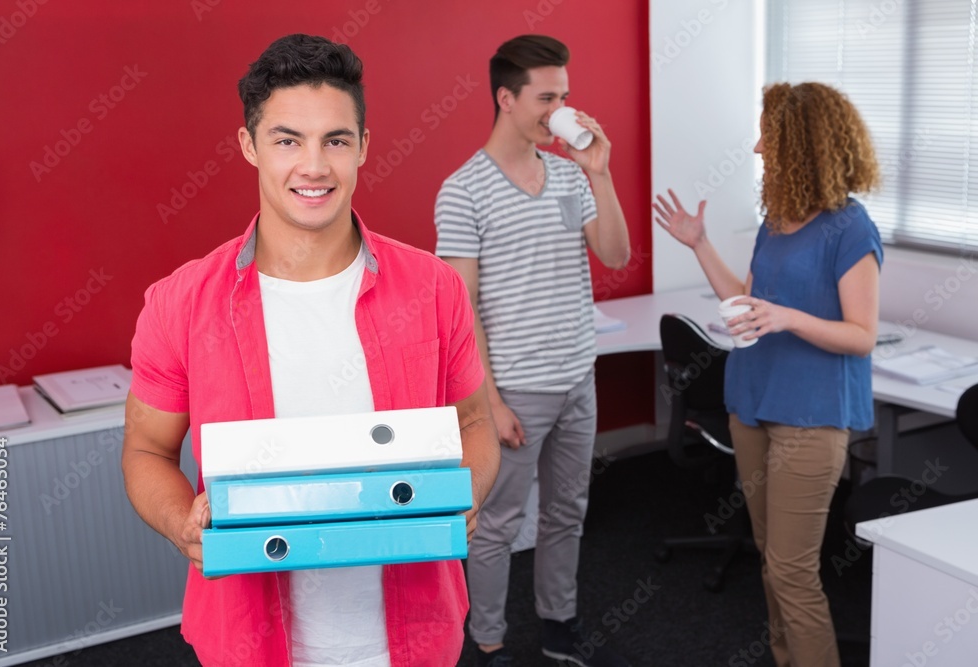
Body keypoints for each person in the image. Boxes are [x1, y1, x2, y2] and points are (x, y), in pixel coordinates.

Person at [121, 34, 500, 667]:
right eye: (288, 140)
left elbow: (474, 422)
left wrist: (471, 491)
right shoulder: (179, 303)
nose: (314, 166)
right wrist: (179, 519)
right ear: (250, 147)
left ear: (363, 148)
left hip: (415, 635)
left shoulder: (435, 289)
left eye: (336, 140)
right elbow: (146, 451)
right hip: (249, 639)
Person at [654, 81, 882, 667]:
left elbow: (862, 334)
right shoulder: (775, 222)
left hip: (813, 414)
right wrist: (700, 245)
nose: (757, 148)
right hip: (753, 404)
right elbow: (750, 302)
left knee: (791, 570)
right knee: (768, 556)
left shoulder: (850, 229)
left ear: (800, 145)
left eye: (767, 136)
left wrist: (788, 317)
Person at [435, 34, 632, 667]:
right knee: (495, 525)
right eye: (546, 98)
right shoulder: (462, 191)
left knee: (566, 514)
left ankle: (558, 623)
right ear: (505, 98)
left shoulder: (572, 175)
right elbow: (461, 311)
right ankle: (488, 638)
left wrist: (601, 174)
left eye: (565, 97)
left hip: (578, 376)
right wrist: (488, 401)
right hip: (514, 388)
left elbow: (616, 255)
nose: (559, 111)